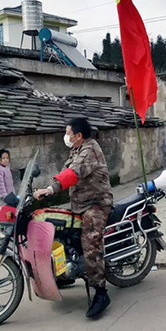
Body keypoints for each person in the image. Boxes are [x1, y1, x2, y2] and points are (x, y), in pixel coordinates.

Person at [34, 117, 113, 318]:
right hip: (80, 204)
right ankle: (65, 271)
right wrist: (46, 187)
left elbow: (74, 173)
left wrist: (51, 189)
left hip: (96, 203)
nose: (66, 136)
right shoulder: (77, 150)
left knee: (90, 241)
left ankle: (101, 292)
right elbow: (65, 172)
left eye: (68, 132)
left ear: (78, 135)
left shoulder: (89, 150)